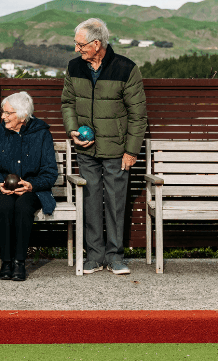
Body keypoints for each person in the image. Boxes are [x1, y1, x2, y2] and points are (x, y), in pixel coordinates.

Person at [61, 18, 147, 276]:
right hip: (86, 150)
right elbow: (68, 103)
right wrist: (73, 130)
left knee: (116, 203)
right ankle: (94, 257)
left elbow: (138, 115)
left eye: (80, 44)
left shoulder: (126, 69)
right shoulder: (74, 67)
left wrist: (131, 151)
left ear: (96, 43)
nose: (77, 49)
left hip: (117, 151)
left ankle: (115, 257)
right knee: (89, 201)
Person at [0, 91, 58, 282]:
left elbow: (50, 172)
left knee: (23, 207)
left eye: (8, 113)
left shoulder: (42, 134)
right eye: (3, 112)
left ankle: (19, 263)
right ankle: (6, 262)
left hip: (32, 190)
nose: (3, 117)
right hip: (3, 188)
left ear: (22, 116)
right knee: (5, 206)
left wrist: (31, 185)